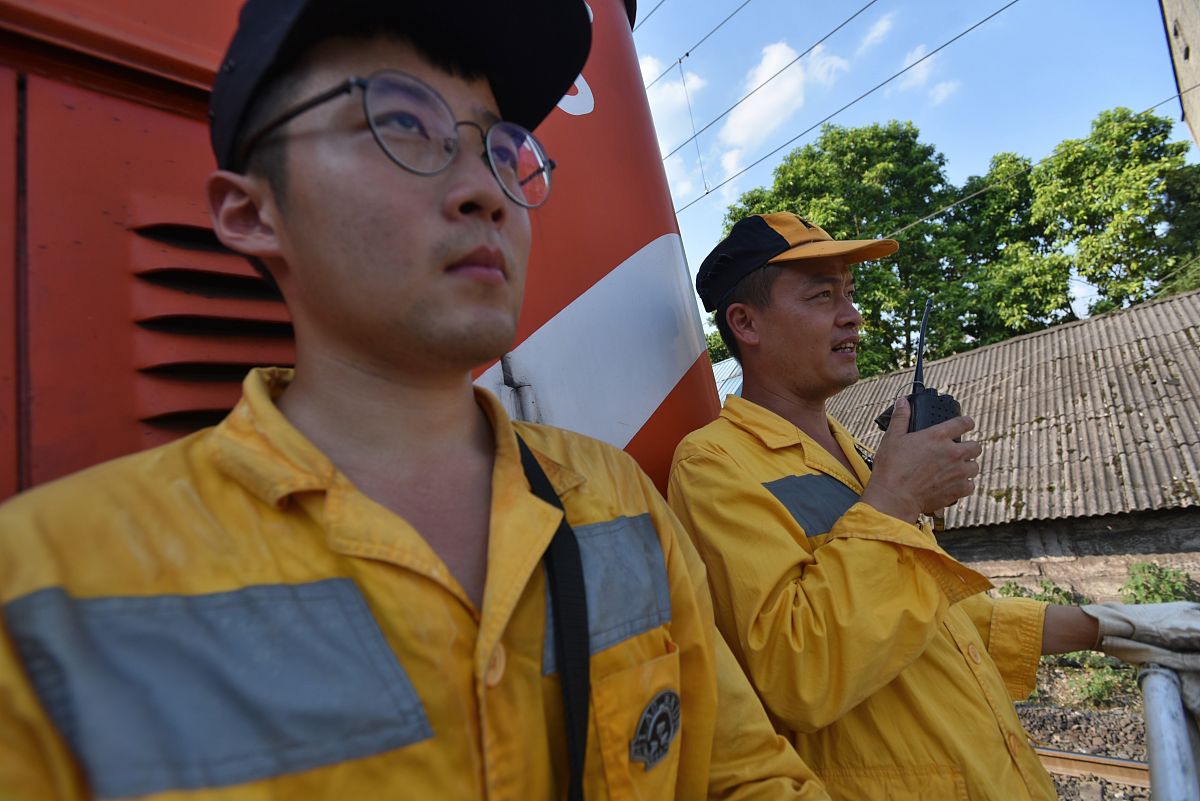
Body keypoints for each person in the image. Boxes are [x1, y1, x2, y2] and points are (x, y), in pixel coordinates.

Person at [0, 5, 828, 800]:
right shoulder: (44, 587)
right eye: (400, 121)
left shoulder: (617, 498)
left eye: (506, 149)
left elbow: (744, 773)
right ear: (250, 213)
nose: (486, 191)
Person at [668, 211, 1200, 800]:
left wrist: (1109, 626)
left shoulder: (855, 453)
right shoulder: (713, 465)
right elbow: (799, 674)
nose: (852, 313)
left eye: (848, 292)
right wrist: (897, 498)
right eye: (822, 295)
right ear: (747, 323)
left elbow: (929, 619)